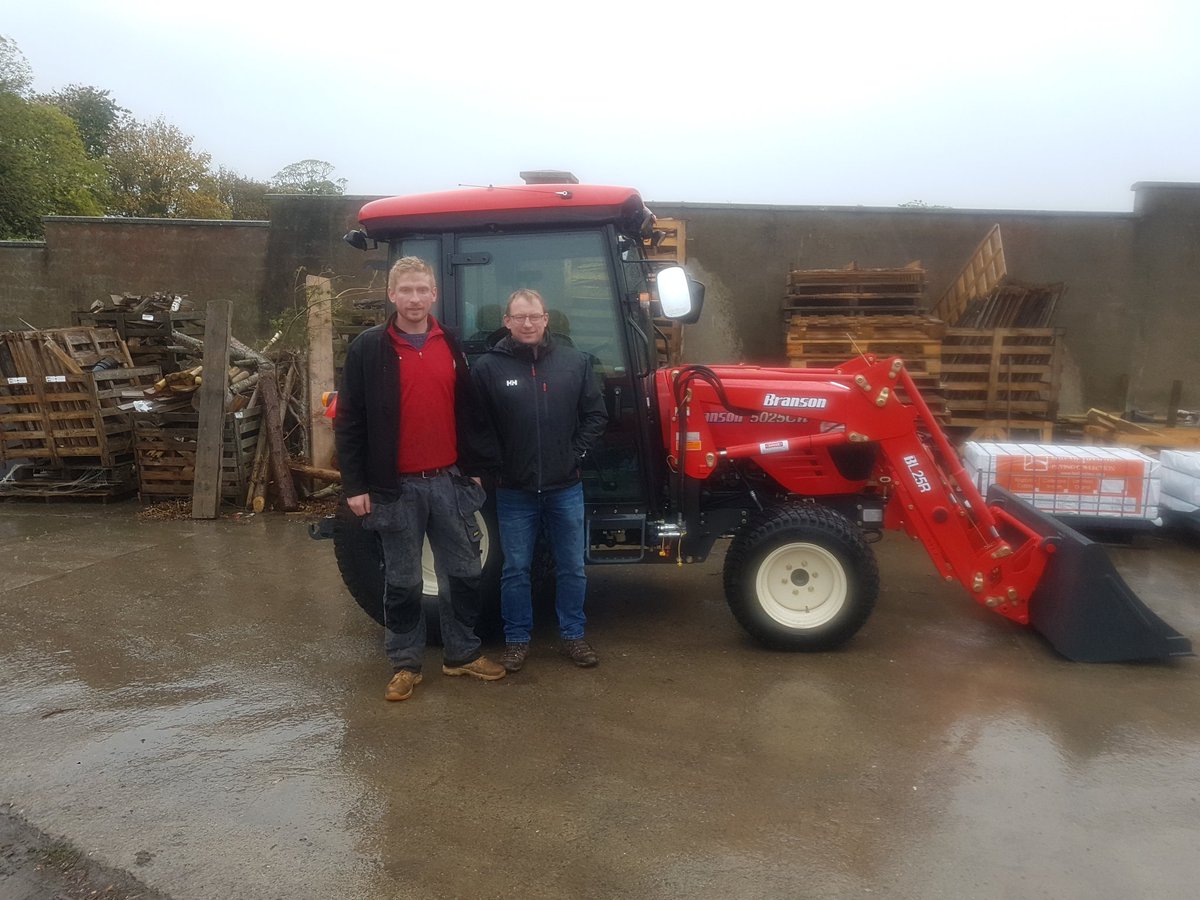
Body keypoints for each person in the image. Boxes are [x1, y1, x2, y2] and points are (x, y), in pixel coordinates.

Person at [335, 256, 505, 701]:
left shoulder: (449, 342)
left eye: (421, 290)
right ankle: (406, 664)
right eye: (405, 290)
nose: (414, 298)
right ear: (392, 294)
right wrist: (355, 485)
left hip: (448, 481)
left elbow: (469, 411)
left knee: (465, 572)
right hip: (397, 488)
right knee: (404, 580)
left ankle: (461, 655)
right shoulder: (370, 348)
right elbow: (350, 420)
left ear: (434, 295)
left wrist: (475, 471)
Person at [471, 288, 608, 673]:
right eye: (519, 317)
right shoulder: (488, 369)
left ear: (546, 318)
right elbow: (477, 426)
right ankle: (516, 641)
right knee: (515, 568)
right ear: (507, 322)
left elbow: (595, 416)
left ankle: (573, 636)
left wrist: (574, 453)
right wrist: (495, 466)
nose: (527, 323)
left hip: (566, 487)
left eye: (534, 316)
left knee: (572, 566)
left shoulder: (574, 363)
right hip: (515, 490)